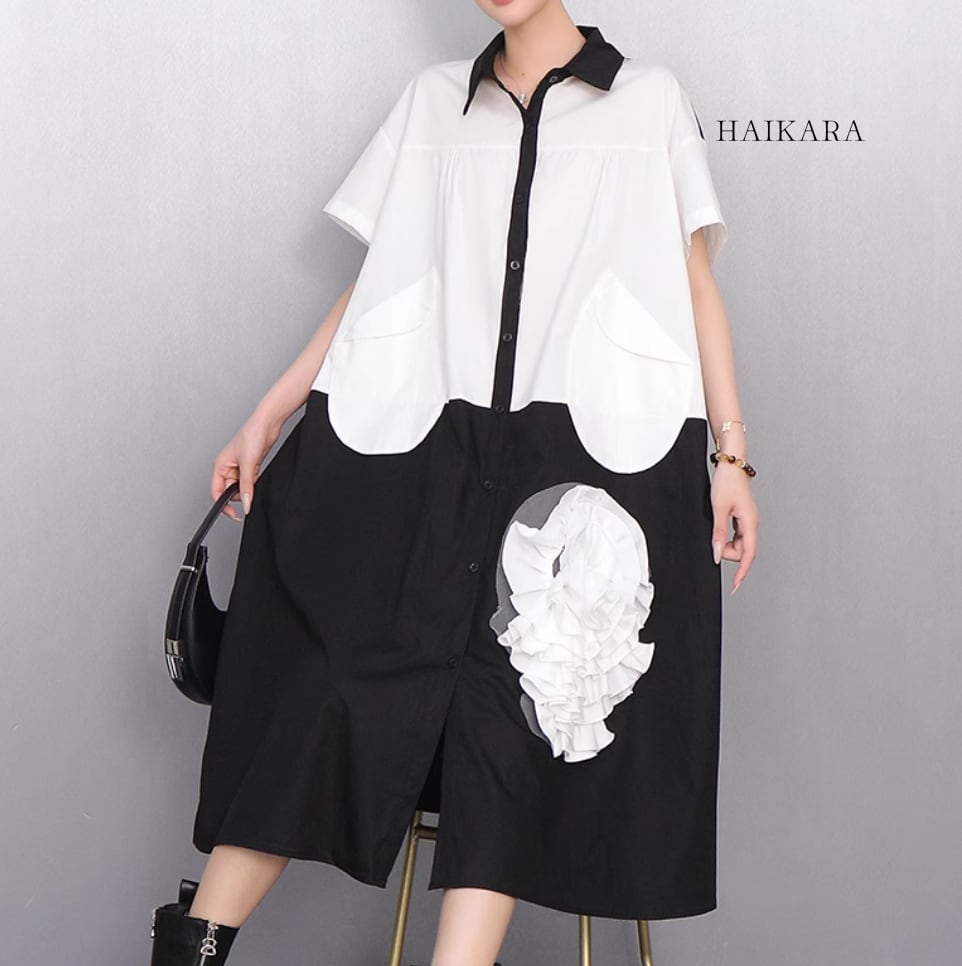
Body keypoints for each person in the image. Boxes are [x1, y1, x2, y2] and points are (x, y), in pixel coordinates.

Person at [149, 1, 758, 964]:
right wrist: (271, 410)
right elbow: (381, 282)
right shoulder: (434, 102)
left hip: (577, 468)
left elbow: (694, 285)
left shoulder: (648, 101)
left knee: (516, 712)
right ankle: (195, 945)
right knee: (321, 689)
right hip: (425, 458)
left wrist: (730, 455)